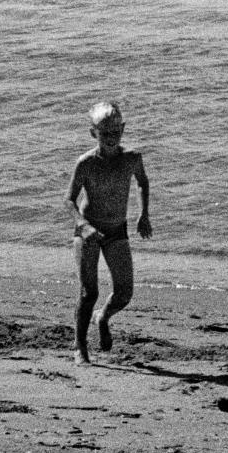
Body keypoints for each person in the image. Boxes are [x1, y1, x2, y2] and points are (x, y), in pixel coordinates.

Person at [66, 101, 152, 365]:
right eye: (105, 134)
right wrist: (82, 225)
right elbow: (69, 200)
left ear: (123, 129)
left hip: (117, 231)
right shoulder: (86, 163)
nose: (111, 138)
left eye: (116, 132)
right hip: (89, 232)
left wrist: (143, 213)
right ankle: (80, 346)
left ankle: (102, 317)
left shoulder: (131, 159)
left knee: (124, 293)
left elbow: (142, 182)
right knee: (88, 292)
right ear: (94, 133)